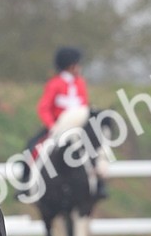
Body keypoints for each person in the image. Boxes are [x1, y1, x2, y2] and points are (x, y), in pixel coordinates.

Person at [30, 48, 108, 198]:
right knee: (32, 148)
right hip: (57, 127)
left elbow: (84, 105)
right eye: (77, 64)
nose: (79, 67)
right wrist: (52, 126)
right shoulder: (54, 84)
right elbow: (44, 108)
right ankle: (27, 182)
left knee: (95, 150)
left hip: (79, 129)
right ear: (70, 65)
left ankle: (99, 186)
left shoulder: (80, 83)